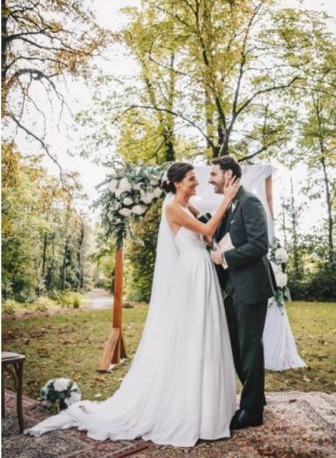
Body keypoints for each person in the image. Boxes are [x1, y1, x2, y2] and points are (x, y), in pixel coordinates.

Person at [26, 163, 240, 447]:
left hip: (202, 270)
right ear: (177, 183)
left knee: (205, 333)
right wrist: (227, 199)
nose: (196, 184)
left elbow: (208, 235)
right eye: (191, 180)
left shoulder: (186, 207)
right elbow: (209, 228)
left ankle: (208, 407)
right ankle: (187, 407)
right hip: (192, 272)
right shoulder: (173, 208)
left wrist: (201, 211)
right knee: (192, 334)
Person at [208, 155, 276, 430]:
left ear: (228, 175)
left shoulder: (250, 202)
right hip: (234, 288)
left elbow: (260, 245)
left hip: (251, 288)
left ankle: (252, 410)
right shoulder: (231, 204)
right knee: (235, 345)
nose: (210, 179)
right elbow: (218, 233)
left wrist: (224, 258)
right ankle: (255, 396)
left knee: (249, 346)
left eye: (213, 174)